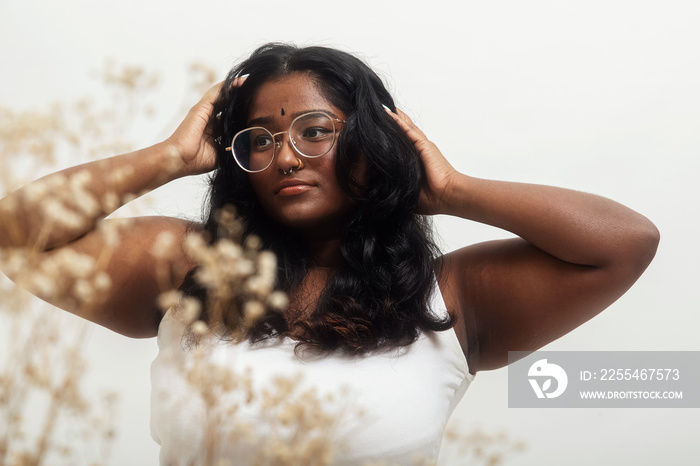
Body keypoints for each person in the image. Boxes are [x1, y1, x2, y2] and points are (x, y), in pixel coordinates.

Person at [0, 43, 659, 464]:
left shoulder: (451, 299)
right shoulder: (188, 267)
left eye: (315, 131)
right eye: (258, 139)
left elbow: (624, 244)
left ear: (369, 143)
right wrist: (170, 158)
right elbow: (12, 234)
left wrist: (452, 190)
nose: (284, 155)